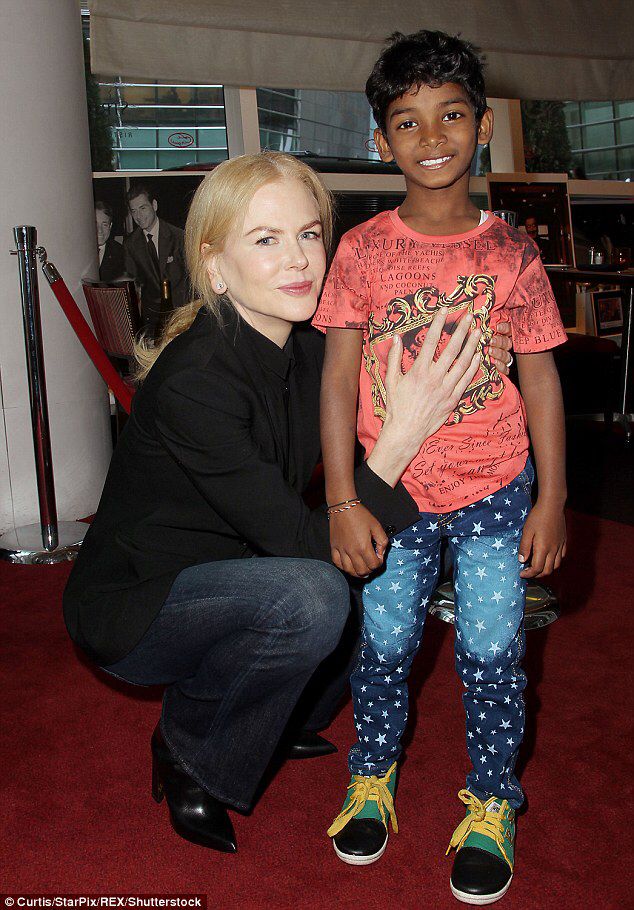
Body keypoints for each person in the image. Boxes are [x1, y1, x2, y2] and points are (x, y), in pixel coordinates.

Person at [63, 151, 514, 856]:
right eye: (265, 239)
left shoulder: (308, 351)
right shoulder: (197, 383)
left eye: (308, 233)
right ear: (214, 266)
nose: (299, 259)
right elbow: (317, 543)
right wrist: (399, 438)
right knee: (315, 596)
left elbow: (412, 364)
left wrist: (486, 344)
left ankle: (270, 709)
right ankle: (190, 750)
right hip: (141, 606)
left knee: (374, 584)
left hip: (246, 568)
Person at [314, 31, 567, 904]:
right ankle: (372, 776)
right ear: (382, 141)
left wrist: (555, 499)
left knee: (495, 654)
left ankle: (493, 800)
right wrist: (344, 497)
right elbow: (339, 377)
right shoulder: (361, 253)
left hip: (499, 489)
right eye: (407, 121)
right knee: (385, 645)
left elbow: (540, 376)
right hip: (397, 496)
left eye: (451, 114)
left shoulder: (514, 255)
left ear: (483, 125)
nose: (431, 135)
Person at [123, 184, 188, 338]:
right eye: (134, 211)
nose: (138, 216)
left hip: (182, 316)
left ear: (154, 205)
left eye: (143, 208)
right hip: (152, 322)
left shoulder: (179, 237)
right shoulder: (130, 244)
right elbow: (133, 285)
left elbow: (192, 279)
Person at [95, 201, 125, 282]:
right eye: (95, 224)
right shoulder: (80, 252)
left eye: (104, 225)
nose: (100, 230)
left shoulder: (121, 253)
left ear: (110, 226)